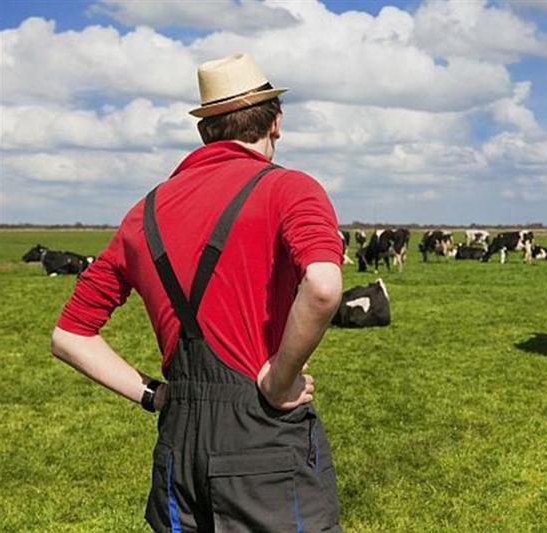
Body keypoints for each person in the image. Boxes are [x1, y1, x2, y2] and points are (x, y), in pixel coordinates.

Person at [51, 52, 343, 532]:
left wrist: (155, 396)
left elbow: (69, 335)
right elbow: (324, 284)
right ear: (277, 123)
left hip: (177, 443)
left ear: (205, 131)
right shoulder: (291, 189)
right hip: (262, 436)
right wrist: (279, 378)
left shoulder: (142, 213)